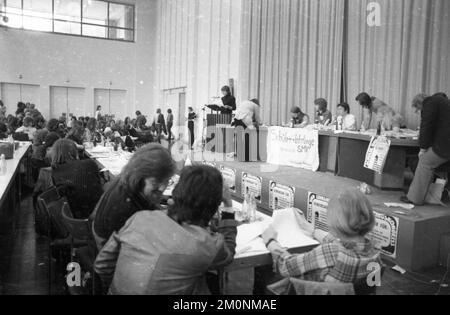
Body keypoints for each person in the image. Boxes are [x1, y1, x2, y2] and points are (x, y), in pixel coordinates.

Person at [94, 165, 238, 295]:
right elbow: (228, 254)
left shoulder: (139, 218)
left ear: (177, 192)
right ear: (214, 204)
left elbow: (101, 265)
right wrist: (228, 206)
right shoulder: (206, 244)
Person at [262, 189, 381, 284]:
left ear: (336, 221)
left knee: (265, 274)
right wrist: (313, 231)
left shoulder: (330, 253)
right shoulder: (375, 251)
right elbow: (344, 245)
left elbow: (287, 266)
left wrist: (270, 242)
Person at [91, 144, 176, 249]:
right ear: (140, 177)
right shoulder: (126, 207)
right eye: (156, 182)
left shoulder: (127, 181)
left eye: (167, 180)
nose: (162, 188)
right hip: (113, 253)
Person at [402, 93, 450, 205]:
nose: (417, 113)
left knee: (424, 161)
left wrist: (423, 148)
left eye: (417, 110)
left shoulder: (429, 103)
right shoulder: (442, 103)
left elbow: (426, 126)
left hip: (446, 145)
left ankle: (415, 198)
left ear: (419, 105)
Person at [49, 139, 103, 219]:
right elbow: (99, 184)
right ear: (75, 151)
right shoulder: (90, 163)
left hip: (74, 218)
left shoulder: (55, 172)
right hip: (97, 214)